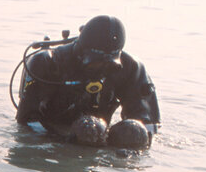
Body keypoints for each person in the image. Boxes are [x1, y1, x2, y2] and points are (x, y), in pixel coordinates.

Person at [15, 15, 160, 149]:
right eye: (95, 64)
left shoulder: (131, 68)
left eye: (109, 66)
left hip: (98, 131)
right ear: (81, 54)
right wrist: (61, 142)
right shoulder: (48, 63)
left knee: (134, 132)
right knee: (87, 132)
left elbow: (148, 123)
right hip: (53, 131)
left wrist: (127, 147)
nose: (101, 71)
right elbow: (26, 120)